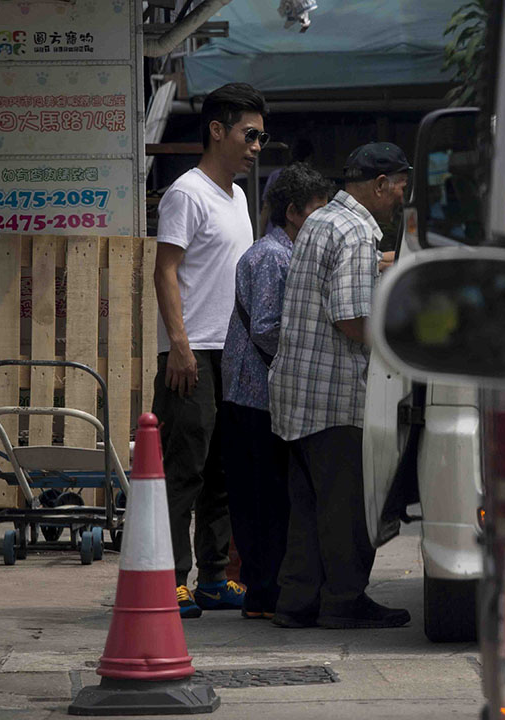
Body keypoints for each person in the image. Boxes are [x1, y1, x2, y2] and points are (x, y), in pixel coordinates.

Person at [268, 142, 412, 629]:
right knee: (348, 510)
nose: (400, 200)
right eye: (399, 189)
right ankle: (344, 600)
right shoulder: (354, 231)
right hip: (335, 396)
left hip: (298, 394)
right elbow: (352, 318)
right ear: (378, 185)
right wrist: (401, 345)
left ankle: (297, 601)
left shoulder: (322, 220)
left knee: (308, 510)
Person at [151, 82, 269, 618]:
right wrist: (178, 344)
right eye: (249, 134)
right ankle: (169, 580)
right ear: (217, 131)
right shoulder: (186, 192)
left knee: (222, 472)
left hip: (233, 353)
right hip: (193, 351)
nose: (256, 147)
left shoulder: (239, 197)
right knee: (184, 471)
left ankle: (213, 577)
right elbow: (165, 269)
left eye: (261, 137)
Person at [220, 162, 333, 620]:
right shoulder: (273, 258)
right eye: (314, 214)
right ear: (291, 212)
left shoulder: (278, 253)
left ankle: (264, 592)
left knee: (262, 499)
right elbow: (266, 328)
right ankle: (264, 594)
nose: (320, 225)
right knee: (264, 501)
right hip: (256, 396)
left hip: (256, 394)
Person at [258, 137, 315, 237]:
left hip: (273, 232)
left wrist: (260, 234)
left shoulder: (276, 175)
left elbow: (266, 208)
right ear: (309, 158)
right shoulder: (310, 180)